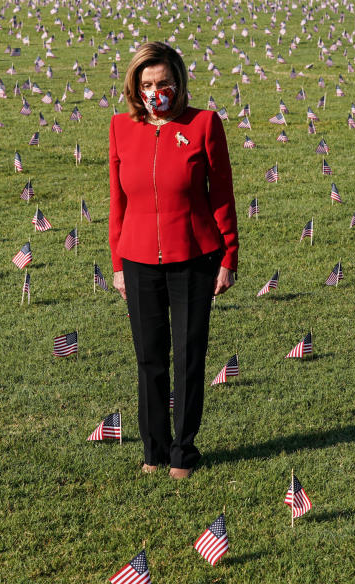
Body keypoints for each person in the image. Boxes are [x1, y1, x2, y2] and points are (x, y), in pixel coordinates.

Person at [109, 41, 238, 479]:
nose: (156, 90)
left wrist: (229, 255)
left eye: (163, 82)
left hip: (195, 258)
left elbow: (221, 195)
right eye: (147, 83)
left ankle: (183, 452)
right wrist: (117, 264)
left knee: (188, 356)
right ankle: (153, 450)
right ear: (135, 87)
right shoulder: (120, 129)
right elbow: (117, 202)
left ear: (179, 82)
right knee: (149, 358)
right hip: (138, 259)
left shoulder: (204, 124)